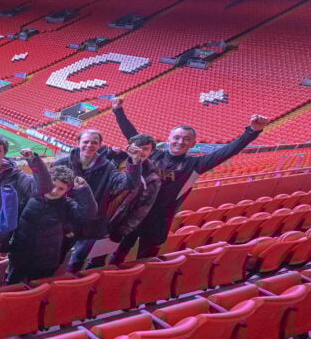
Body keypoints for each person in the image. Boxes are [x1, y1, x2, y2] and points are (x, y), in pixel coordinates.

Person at [110, 97, 267, 258]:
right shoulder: (153, 154)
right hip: (134, 214)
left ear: (193, 144)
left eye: (186, 139)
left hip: (159, 221)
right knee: (119, 253)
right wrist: (118, 111)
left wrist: (252, 131)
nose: (180, 142)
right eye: (177, 137)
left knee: (147, 260)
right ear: (168, 139)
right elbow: (133, 136)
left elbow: (227, 151)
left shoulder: (196, 164)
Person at [57, 129, 142, 272]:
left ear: (99, 145)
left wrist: (134, 161)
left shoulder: (108, 167)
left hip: (92, 223)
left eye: (94, 142)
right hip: (65, 222)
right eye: (86, 142)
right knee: (58, 257)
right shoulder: (62, 163)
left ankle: (71, 286)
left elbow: (129, 183)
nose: (89, 145)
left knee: (77, 261)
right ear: (78, 143)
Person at [7, 166, 97, 283]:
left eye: (61, 189)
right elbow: (14, 220)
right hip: (20, 254)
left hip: (45, 261)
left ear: (67, 190)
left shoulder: (66, 204)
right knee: (11, 284)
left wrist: (84, 190)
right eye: (53, 185)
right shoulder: (31, 195)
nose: (54, 191)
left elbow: (87, 215)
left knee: (36, 289)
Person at [101, 134, 163, 267]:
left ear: (151, 152)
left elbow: (141, 210)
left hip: (117, 225)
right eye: (137, 147)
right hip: (99, 216)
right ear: (129, 148)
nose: (140, 152)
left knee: (103, 259)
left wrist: (121, 231)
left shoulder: (152, 178)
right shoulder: (115, 162)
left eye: (145, 149)